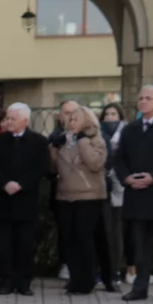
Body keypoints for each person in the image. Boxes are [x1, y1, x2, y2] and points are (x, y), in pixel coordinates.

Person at [114, 85, 153, 304]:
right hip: (136, 197)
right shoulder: (130, 129)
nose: (143, 101)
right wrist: (127, 178)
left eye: (148, 98)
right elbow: (118, 159)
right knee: (139, 248)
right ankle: (140, 288)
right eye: (140, 98)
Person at [0, 102, 49, 295]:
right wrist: (5, 183)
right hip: (1, 200)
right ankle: (6, 280)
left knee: (25, 243)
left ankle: (24, 282)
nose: (8, 122)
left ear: (25, 121)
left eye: (13, 118)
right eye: (7, 118)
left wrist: (21, 184)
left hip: (26, 200)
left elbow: (40, 168)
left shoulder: (39, 141)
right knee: (4, 244)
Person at [51, 106, 109, 294]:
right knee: (70, 239)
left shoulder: (95, 139)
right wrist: (53, 147)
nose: (72, 122)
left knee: (84, 238)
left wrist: (83, 142)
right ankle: (75, 279)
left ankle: (87, 280)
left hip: (89, 195)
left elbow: (95, 163)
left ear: (86, 120)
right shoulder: (65, 141)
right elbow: (52, 168)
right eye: (70, 119)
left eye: (76, 119)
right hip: (65, 195)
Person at [100, 103, 136, 285]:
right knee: (109, 232)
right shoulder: (98, 134)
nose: (110, 117)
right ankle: (110, 271)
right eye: (106, 114)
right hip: (104, 187)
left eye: (113, 114)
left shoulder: (128, 133)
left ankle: (128, 269)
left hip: (123, 188)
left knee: (124, 233)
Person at [50, 99, 80, 281]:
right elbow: (49, 168)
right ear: (60, 116)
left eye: (73, 112)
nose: (69, 117)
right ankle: (66, 263)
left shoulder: (89, 135)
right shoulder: (54, 138)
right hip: (61, 191)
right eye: (66, 113)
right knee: (65, 229)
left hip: (87, 191)